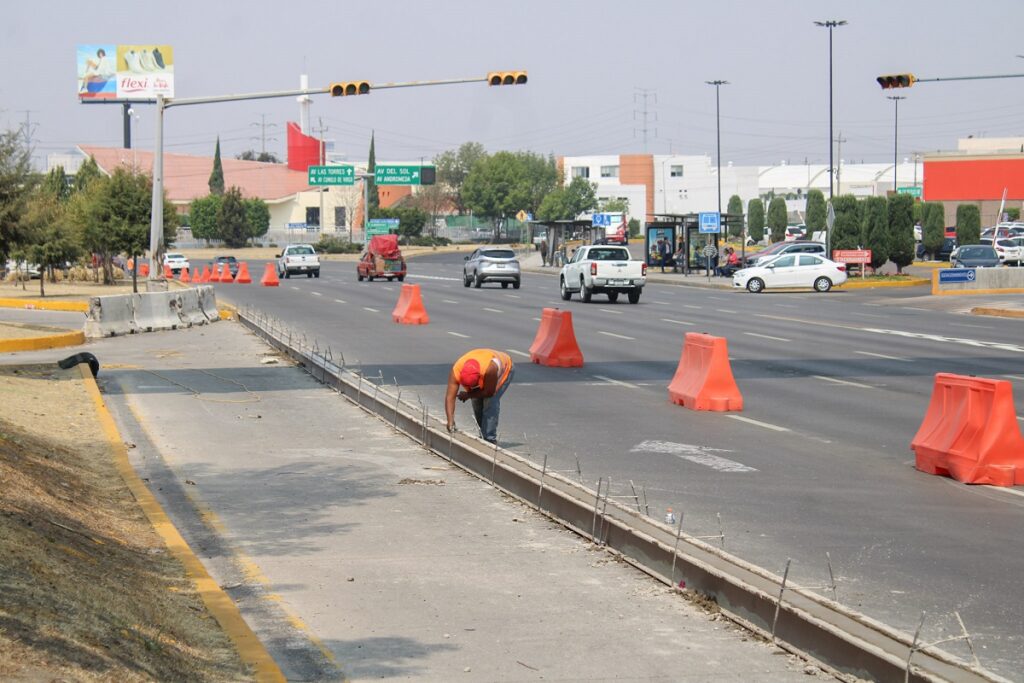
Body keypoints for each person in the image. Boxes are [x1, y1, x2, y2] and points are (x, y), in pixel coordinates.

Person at [445, 348, 515, 444]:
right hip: (482, 364)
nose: (472, 388)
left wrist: (469, 395)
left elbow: (489, 392)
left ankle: (489, 439)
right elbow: (450, 397)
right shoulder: (456, 370)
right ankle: (483, 434)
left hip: (505, 367)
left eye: (474, 385)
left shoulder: (490, 369)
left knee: (490, 400)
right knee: (476, 399)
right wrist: (450, 420)